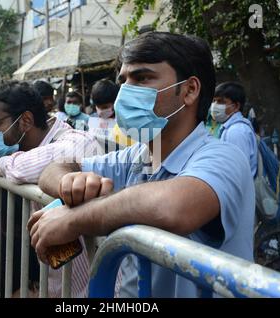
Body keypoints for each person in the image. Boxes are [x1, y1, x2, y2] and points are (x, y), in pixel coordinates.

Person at [30, 32, 255, 298]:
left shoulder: (222, 156)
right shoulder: (138, 156)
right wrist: (68, 182)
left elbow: (172, 206)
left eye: (142, 78)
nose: (124, 92)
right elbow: (54, 168)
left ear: (190, 90)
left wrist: (74, 220)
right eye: (123, 81)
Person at [0, 80, 99, 297]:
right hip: (52, 284)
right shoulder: (15, 148)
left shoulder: (75, 139)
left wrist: (2, 163)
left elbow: (46, 161)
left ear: (26, 120)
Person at [210, 82, 258, 177]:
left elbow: (237, 172)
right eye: (214, 101)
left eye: (220, 102)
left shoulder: (236, 132)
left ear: (236, 106)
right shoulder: (230, 128)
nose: (215, 106)